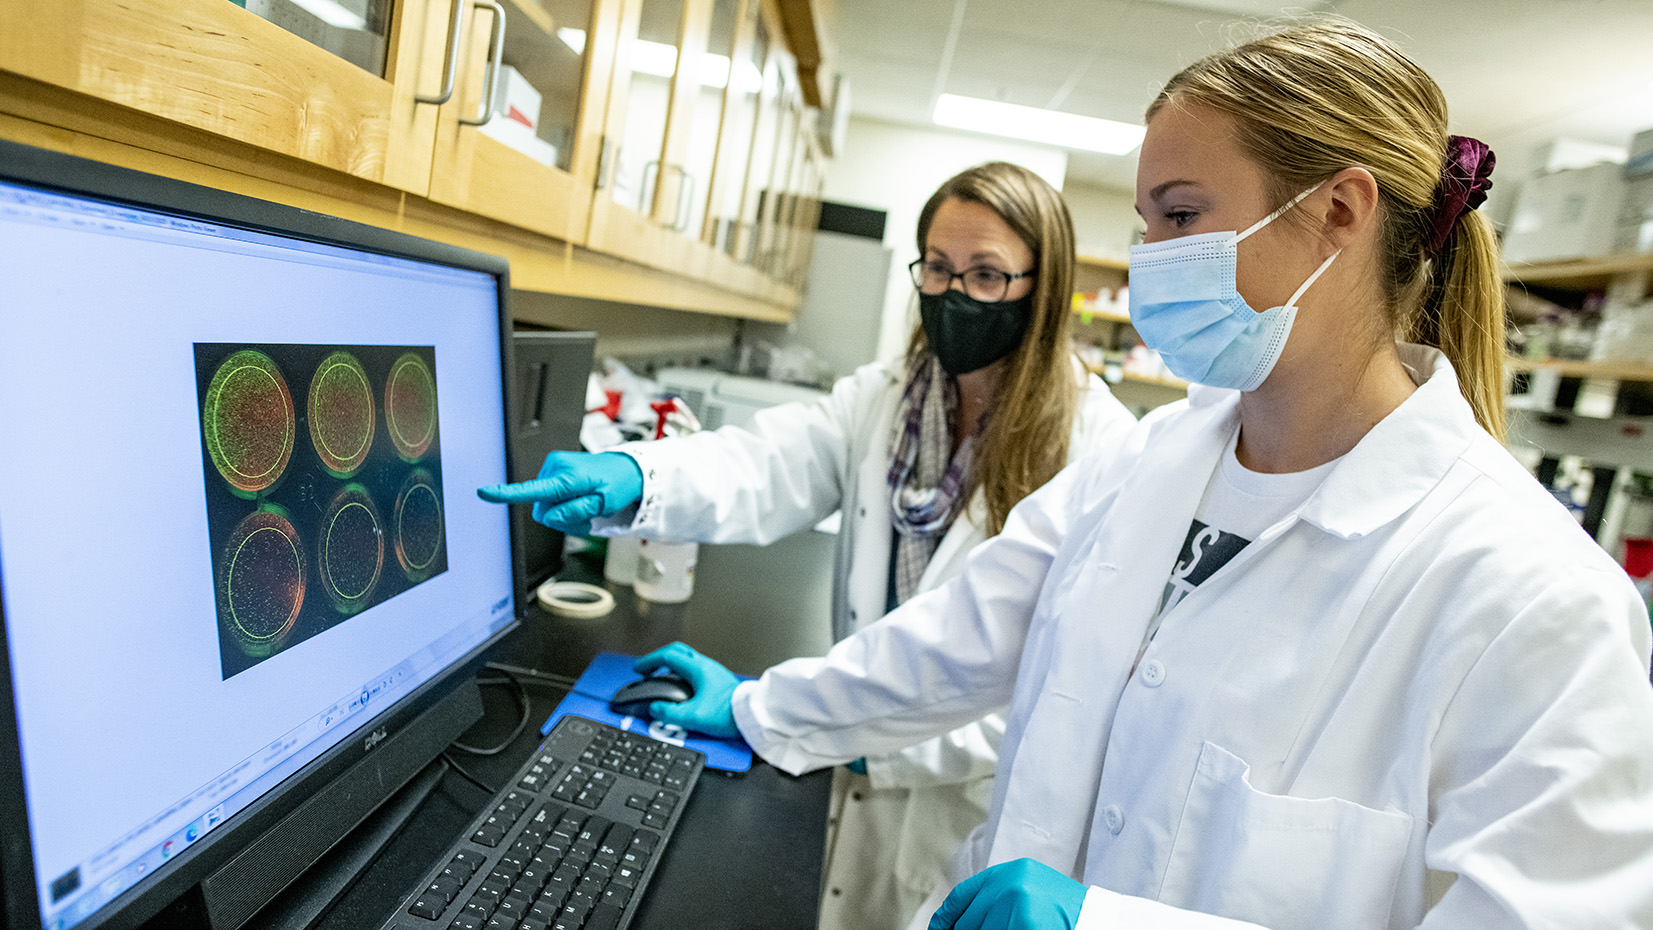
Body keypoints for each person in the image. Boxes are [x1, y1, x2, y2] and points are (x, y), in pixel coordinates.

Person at [619, 19, 1653, 930]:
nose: (1154, 257)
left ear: (1340, 210)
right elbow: (957, 640)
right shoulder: (1147, 464)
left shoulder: (1536, 602)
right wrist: (762, 709)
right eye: (1146, 225)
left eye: (1182, 216)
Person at [479, 162, 1139, 930]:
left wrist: (848, 735)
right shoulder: (888, 397)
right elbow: (766, 463)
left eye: (986, 275)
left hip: (959, 808)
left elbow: (1046, 690)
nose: (953, 293)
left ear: (1041, 288)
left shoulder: (1099, 446)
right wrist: (640, 475)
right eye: (936, 267)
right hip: (843, 744)